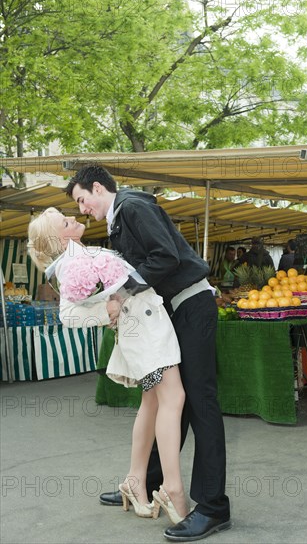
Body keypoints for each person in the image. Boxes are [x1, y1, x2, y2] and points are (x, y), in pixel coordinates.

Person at [65, 165, 231, 542]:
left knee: (199, 403)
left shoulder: (133, 206)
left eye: (81, 200)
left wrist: (120, 294)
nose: (82, 210)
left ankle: (213, 508)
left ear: (96, 187)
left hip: (191, 305)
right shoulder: (120, 217)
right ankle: (145, 482)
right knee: (169, 400)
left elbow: (166, 258)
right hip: (172, 312)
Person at [27, 208, 188, 524]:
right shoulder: (72, 264)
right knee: (174, 399)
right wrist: (110, 309)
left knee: (153, 404)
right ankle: (172, 489)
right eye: (65, 221)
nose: (73, 219)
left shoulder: (78, 257)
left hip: (144, 328)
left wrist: (112, 305)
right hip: (143, 331)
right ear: (60, 237)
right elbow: (69, 316)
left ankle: (135, 480)